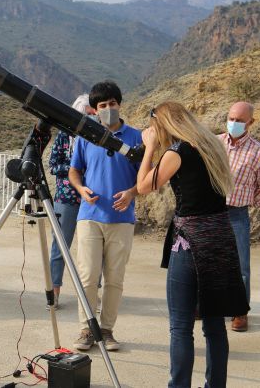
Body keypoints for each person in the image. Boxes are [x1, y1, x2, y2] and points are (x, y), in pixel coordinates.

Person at [136, 101, 249, 388]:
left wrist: (149, 147)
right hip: (220, 239)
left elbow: (144, 186)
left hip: (190, 243)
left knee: (181, 326)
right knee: (214, 325)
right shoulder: (212, 145)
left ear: (163, 125)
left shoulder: (178, 152)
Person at [68, 81, 142, 351]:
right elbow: (74, 171)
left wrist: (132, 192)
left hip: (122, 219)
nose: (108, 109)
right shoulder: (86, 137)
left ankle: (108, 331)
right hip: (90, 216)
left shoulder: (137, 137)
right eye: (102, 105)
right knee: (87, 277)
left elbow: (147, 177)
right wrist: (81, 188)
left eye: (112, 103)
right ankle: (87, 329)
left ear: (119, 104)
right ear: (95, 110)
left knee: (114, 279)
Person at [47, 94, 93, 310]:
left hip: (91, 199)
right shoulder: (64, 136)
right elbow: (53, 164)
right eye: (82, 114)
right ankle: (54, 291)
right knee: (60, 245)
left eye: (89, 114)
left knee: (94, 246)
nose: (86, 118)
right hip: (66, 198)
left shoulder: (96, 137)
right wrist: (74, 170)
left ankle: (94, 292)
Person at [218, 102, 260, 332]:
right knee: (207, 261)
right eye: (231, 118)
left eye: (239, 120)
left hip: (237, 215)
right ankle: (205, 305)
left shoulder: (257, 152)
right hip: (211, 211)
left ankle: (239, 312)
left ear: (250, 123)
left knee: (240, 266)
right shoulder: (215, 143)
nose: (233, 123)